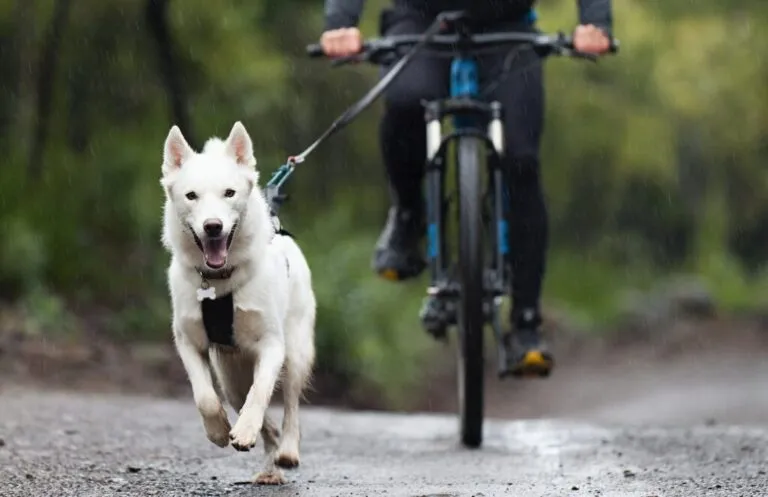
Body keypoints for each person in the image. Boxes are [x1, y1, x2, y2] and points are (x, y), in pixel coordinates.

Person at [319, 0, 613, 377]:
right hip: (421, 20)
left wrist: (595, 23)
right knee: (406, 103)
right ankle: (408, 217)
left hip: (508, 28)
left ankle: (525, 324)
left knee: (522, 161)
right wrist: (341, 23)